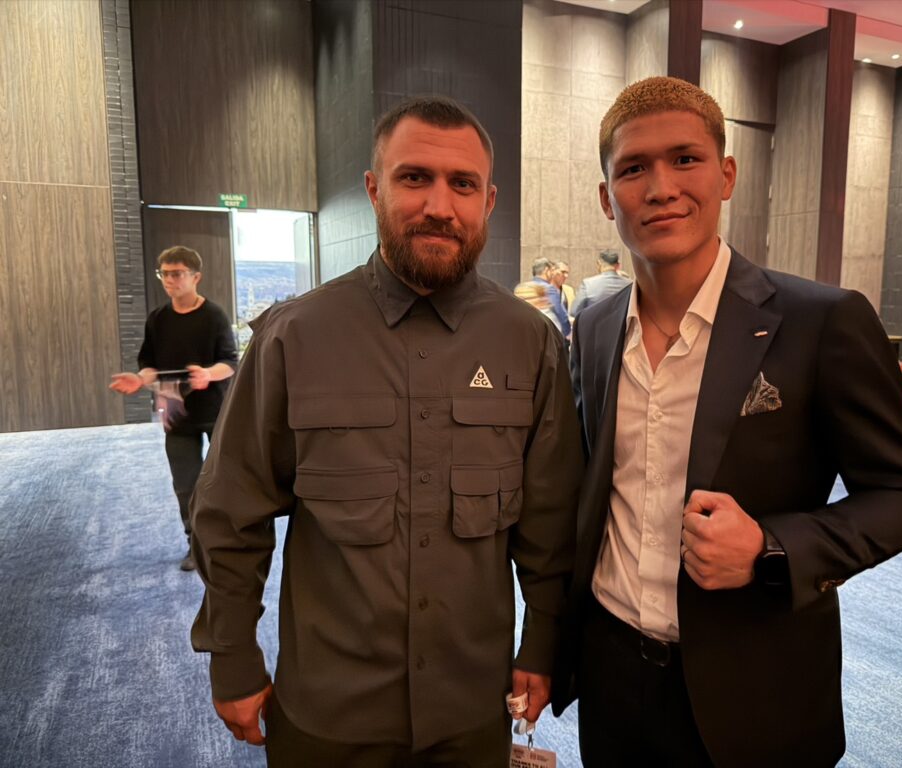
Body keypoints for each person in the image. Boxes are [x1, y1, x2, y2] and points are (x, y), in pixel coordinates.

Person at [551, 76, 902, 767]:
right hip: (612, 678)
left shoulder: (822, 321)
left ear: (726, 175)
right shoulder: (596, 327)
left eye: (685, 159)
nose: (661, 187)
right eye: (633, 169)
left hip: (756, 687)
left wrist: (771, 546)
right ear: (607, 198)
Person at [189, 96, 583, 767]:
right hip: (330, 712)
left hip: (471, 710)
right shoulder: (293, 336)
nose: (440, 205)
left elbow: (551, 523)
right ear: (375, 190)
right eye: (414, 178)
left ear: (488, 201)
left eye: (463, 184)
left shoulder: (530, 343)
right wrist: (232, 652)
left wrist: (542, 643)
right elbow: (231, 511)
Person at [109, 246, 237, 571]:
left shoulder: (214, 316)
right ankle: (196, 545)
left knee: (224, 480)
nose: (169, 280)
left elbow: (230, 362)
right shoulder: (158, 319)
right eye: (164, 274)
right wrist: (139, 379)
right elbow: (149, 365)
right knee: (185, 484)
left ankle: (228, 542)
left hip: (215, 410)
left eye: (176, 273)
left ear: (196, 277)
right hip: (177, 414)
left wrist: (207, 374)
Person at [570, 249, 631, 315]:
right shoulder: (630, 284)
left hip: (594, 321)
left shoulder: (588, 284)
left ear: (599, 264)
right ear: (618, 265)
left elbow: (574, 311)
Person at [531, 257, 571, 340]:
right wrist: (567, 333)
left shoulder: (525, 288)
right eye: (552, 270)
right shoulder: (549, 289)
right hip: (549, 335)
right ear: (546, 270)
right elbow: (561, 314)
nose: (553, 274)